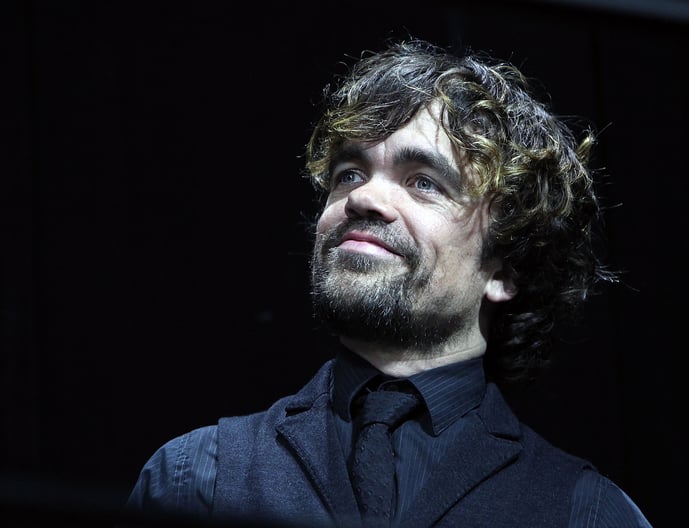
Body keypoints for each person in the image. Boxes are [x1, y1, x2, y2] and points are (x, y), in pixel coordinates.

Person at [120, 38, 653, 527]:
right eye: (349, 172)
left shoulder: (588, 514)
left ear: (506, 269)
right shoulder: (196, 478)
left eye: (423, 182)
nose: (362, 198)